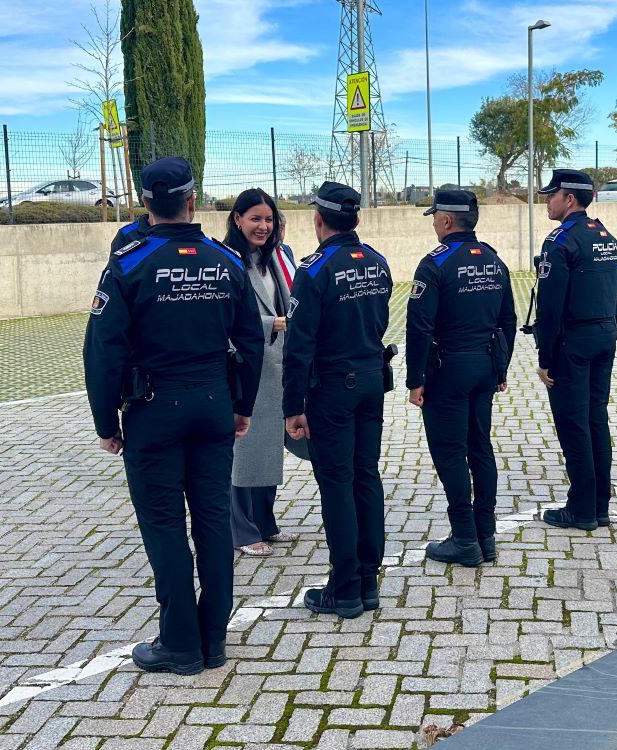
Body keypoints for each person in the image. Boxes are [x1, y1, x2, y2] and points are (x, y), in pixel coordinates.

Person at [83, 156, 264, 676]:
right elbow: (250, 340)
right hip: (212, 408)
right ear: (192, 200)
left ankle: (181, 644)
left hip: (153, 411)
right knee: (211, 522)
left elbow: (103, 350)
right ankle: (214, 639)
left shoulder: (129, 262)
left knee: (164, 526)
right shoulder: (224, 260)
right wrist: (241, 405)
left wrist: (106, 423)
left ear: (145, 203)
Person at [282, 181, 393, 619]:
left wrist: (294, 408)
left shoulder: (313, 270)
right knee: (366, 476)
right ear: (357, 220)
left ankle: (344, 588)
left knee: (337, 485)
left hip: (332, 389)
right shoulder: (378, 263)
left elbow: (298, 347)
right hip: (371, 382)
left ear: (319, 220)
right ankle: (368, 581)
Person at [406, 189, 517, 567]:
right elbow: (508, 320)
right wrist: (501, 368)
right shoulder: (493, 259)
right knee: (480, 447)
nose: (435, 222)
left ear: (447, 220)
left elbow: (419, 327)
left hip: (447, 371)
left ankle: (465, 539)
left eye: (435, 216)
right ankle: (486, 536)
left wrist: (414, 379)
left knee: (451, 452)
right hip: (485, 367)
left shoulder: (434, 263)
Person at [532, 169, 617, 532]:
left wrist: (545, 358)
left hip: (573, 343)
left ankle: (582, 509)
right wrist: (611, 329)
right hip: (604, 336)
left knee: (574, 425)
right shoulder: (606, 236)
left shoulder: (560, 241)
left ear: (569, 199)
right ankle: (600, 504)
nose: (547, 201)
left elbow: (550, 309)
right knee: (595, 419)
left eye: (551, 195)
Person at [224, 190, 299, 557]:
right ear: (237, 219)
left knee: (268, 446)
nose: (263, 226)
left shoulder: (272, 258)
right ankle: (240, 529)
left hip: (275, 367)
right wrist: (273, 322)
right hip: (245, 368)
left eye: (268, 219)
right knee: (244, 449)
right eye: (255, 219)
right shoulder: (227, 261)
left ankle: (265, 522)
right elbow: (227, 318)